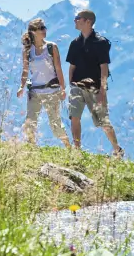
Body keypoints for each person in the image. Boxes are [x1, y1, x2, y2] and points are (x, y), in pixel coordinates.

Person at [66, 9, 124, 158]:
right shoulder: (74, 43)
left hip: (95, 89)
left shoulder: (101, 42)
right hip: (77, 87)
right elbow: (72, 67)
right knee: (74, 117)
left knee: (103, 122)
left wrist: (102, 92)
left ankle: (117, 149)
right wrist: (71, 84)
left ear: (88, 21)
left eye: (78, 18)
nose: (75, 20)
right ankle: (77, 149)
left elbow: (104, 68)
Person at [16, 18, 71, 148]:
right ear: (33, 32)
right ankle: (31, 149)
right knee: (30, 123)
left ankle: (69, 148)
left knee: (55, 124)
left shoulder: (52, 47)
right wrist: (21, 87)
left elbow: (58, 68)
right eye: (41, 28)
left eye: (44, 27)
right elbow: (25, 71)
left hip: (52, 91)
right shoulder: (28, 51)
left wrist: (63, 89)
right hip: (35, 92)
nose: (44, 30)